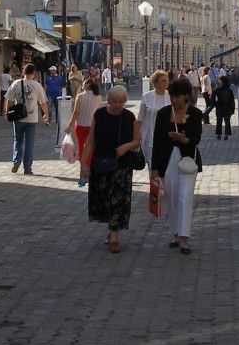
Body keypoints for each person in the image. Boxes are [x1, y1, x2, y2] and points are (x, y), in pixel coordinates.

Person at [82, 85, 140, 253]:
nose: (118, 105)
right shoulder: (99, 115)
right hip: (101, 162)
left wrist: (127, 146)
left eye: (121, 102)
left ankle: (114, 236)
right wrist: (84, 163)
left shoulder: (129, 116)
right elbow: (90, 141)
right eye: (114, 102)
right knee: (105, 197)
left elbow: (137, 140)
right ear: (108, 100)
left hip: (122, 164)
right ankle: (111, 229)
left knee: (118, 198)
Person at [151, 77, 202, 255]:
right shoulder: (164, 113)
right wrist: (155, 168)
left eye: (177, 96)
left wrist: (183, 138)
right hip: (167, 158)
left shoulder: (195, 114)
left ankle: (184, 237)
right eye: (172, 96)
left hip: (187, 159)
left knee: (185, 196)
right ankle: (175, 232)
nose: (174, 100)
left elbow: (196, 138)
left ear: (186, 96)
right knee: (172, 197)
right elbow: (157, 140)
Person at [6, 64, 49, 175]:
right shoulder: (37, 86)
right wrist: (46, 114)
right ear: (34, 73)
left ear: (23, 72)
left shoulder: (16, 83)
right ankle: (27, 169)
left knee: (18, 140)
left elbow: (9, 100)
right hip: (32, 118)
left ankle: (16, 160)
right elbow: (43, 103)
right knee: (29, 144)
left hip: (18, 117)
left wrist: (8, 113)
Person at [66, 78, 102, 187]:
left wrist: (70, 125)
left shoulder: (80, 96)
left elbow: (76, 113)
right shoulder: (98, 97)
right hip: (92, 126)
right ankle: (90, 168)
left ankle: (83, 170)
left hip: (81, 126)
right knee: (91, 148)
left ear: (86, 86)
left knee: (81, 147)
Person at [137, 70, 169, 169]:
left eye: (167, 80)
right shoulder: (147, 96)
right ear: (155, 82)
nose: (166, 83)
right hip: (149, 137)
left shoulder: (171, 96)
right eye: (163, 81)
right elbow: (140, 118)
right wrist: (136, 137)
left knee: (165, 167)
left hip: (166, 137)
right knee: (153, 167)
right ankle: (154, 184)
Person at [44, 66, 65, 143]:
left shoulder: (59, 78)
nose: (50, 71)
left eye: (52, 70)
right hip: (50, 95)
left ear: (54, 70)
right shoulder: (48, 78)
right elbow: (45, 86)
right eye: (50, 70)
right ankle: (49, 121)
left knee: (57, 108)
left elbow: (62, 86)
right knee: (49, 108)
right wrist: (44, 94)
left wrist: (62, 94)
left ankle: (57, 120)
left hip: (58, 95)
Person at [213, 75, 236, 139]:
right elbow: (232, 101)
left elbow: (213, 98)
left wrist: (215, 104)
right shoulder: (230, 90)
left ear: (222, 82)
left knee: (219, 121)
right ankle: (226, 134)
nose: (218, 81)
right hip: (228, 108)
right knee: (227, 121)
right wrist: (233, 109)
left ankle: (218, 134)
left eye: (219, 81)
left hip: (219, 107)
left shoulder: (217, 90)